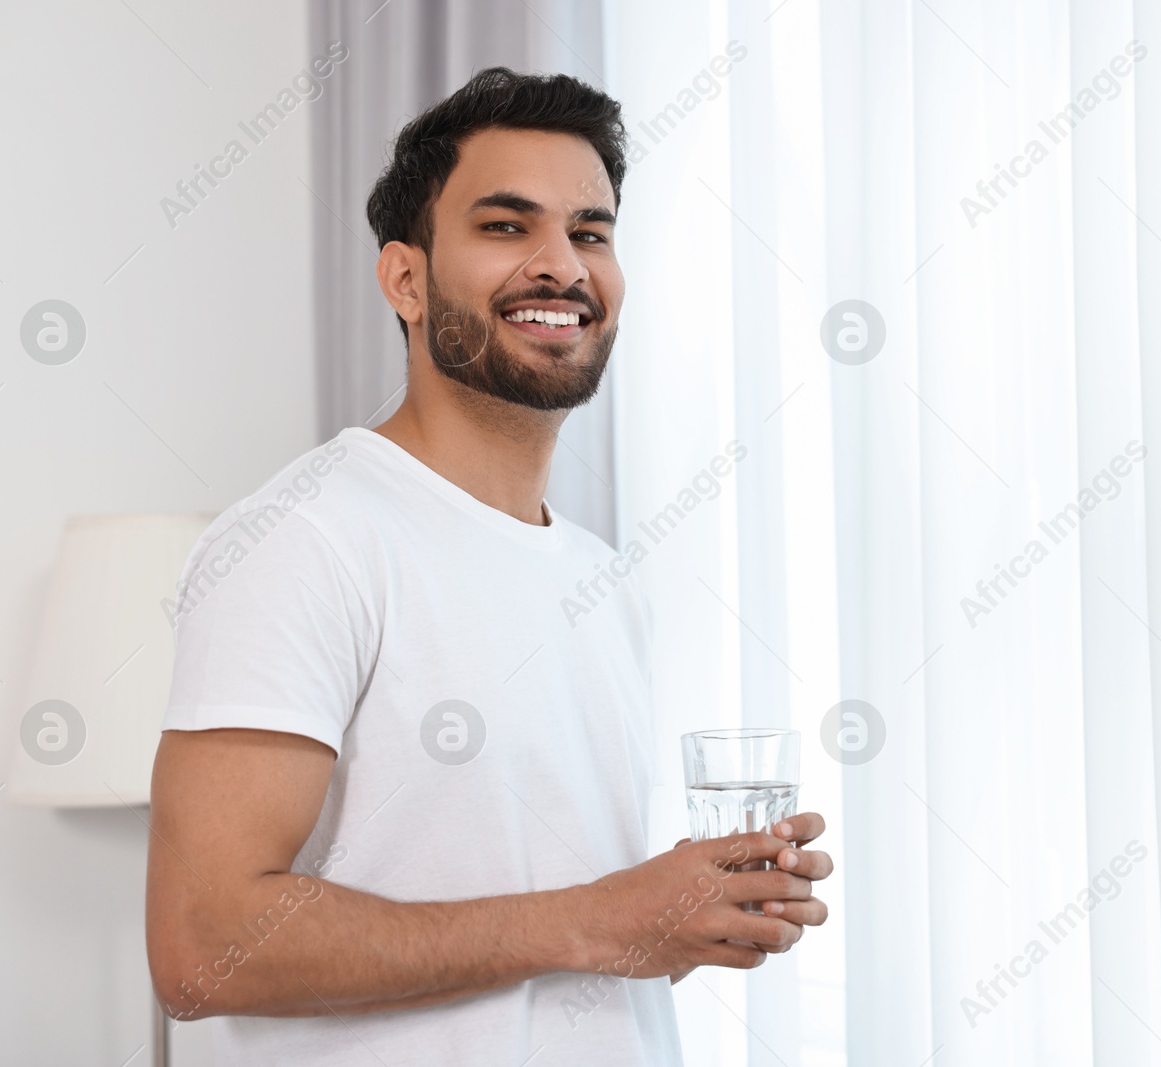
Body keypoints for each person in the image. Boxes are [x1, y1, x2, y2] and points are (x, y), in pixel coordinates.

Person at [145, 66, 832, 1066]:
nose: (561, 265)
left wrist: (678, 917)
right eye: (506, 227)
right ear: (406, 279)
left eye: (590, 233)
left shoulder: (599, 577)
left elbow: (548, 922)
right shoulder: (305, 539)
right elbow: (203, 945)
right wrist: (597, 918)